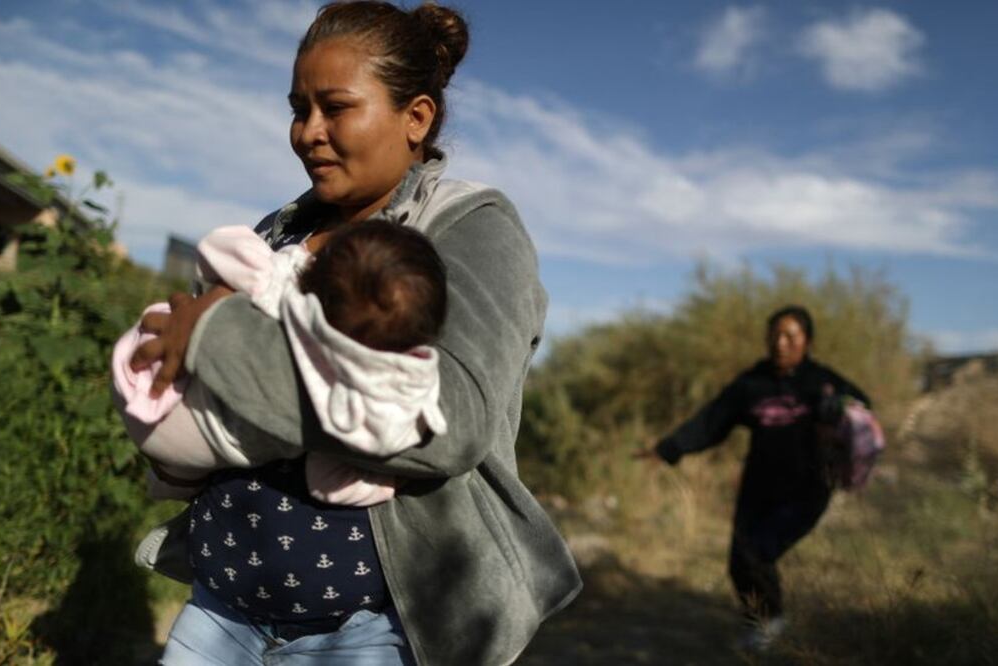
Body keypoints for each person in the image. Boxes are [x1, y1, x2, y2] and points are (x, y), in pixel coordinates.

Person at [127, 3, 581, 664]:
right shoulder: (277, 231)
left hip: (365, 629)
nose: (309, 132)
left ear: (415, 117)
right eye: (297, 108)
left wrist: (218, 337)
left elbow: (448, 423)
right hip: (222, 606)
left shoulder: (468, 228)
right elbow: (190, 380)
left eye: (335, 108)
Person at [113, 220, 449, 507]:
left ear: (314, 275)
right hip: (186, 451)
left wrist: (284, 265)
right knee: (203, 457)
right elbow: (325, 481)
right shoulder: (357, 403)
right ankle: (171, 479)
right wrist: (385, 482)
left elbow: (218, 246)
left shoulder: (281, 291)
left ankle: (165, 475)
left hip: (146, 369)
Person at [638, 305, 870, 651]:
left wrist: (836, 410)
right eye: (775, 334)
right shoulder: (752, 383)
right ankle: (763, 626)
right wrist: (668, 449)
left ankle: (773, 626)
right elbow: (712, 421)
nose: (781, 342)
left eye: (790, 335)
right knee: (739, 562)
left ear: (807, 341)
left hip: (807, 489)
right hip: (759, 486)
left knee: (758, 553)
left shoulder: (821, 382)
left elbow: (863, 410)